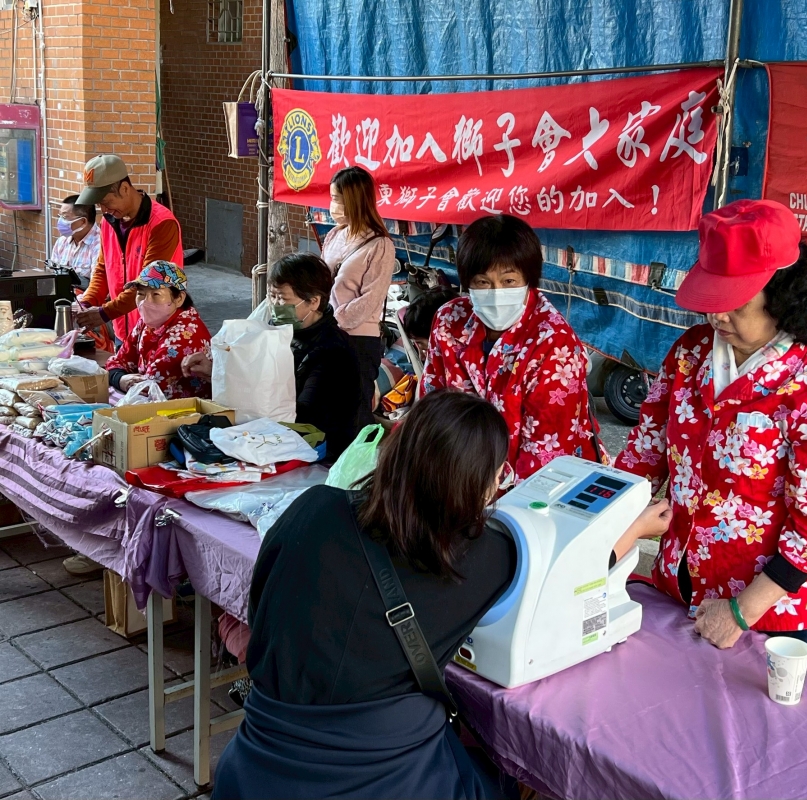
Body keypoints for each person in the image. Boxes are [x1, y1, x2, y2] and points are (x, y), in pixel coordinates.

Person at [212, 390, 669, 799]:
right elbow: (564, 583)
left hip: (254, 770)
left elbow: (261, 601)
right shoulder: (483, 557)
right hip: (384, 782)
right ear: (483, 482)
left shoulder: (314, 508)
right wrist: (635, 531)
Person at [615, 199, 807, 648]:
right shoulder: (692, 352)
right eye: (711, 299)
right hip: (677, 581)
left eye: (734, 302)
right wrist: (607, 530)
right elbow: (645, 449)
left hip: (763, 610)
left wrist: (740, 611)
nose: (717, 316)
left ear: (783, 295)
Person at [420, 214, 604, 481]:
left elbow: (545, 454)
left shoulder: (554, 342)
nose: (496, 293)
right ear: (467, 282)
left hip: (539, 478)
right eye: (482, 282)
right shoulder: (449, 321)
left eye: (508, 281)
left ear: (529, 279)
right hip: (461, 474)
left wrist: (494, 497)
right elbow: (431, 402)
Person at [182, 253, 366, 461]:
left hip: (318, 451)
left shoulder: (333, 351)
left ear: (314, 301)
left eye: (283, 298)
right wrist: (218, 370)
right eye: (272, 296)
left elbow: (301, 414)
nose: (275, 305)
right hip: (276, 440)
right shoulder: (278, 332)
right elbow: (258, 379)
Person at [74, 155, 184, 342]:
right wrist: (85, 303)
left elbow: (148, 284)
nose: (103, 209)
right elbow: (103, 269)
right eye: (99, 204)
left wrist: (104, 313)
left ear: (124, 188)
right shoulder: (109, 222)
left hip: (158, 332)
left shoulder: (162, 224)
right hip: (123, 332)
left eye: (106, 202)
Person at [322, 166, 396, 435]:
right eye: (332, 197)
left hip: (358, 339)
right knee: (326, 406)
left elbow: (371, 299)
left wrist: (334, 319)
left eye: (337, 199)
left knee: (354, 412)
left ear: (354, 200)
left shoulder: (380, 245)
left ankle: (357, 460)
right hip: (328, 333)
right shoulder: (334, 235)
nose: (332, 205)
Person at [106, 261, 211, 400]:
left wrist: (119, 379)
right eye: (141, 293)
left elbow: (148, 389)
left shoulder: (184, 335)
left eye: (156, 294)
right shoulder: (148, 323)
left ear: (179, 299)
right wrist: (120, 378)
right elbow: (118, 361)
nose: (145, 302)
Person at [49, 194, 101, 285]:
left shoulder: (100, 245)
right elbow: (51, 277)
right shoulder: (62, 242)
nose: (60, 221)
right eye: (59, 216)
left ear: (83, 222)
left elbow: (97, 286)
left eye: (65, 217)